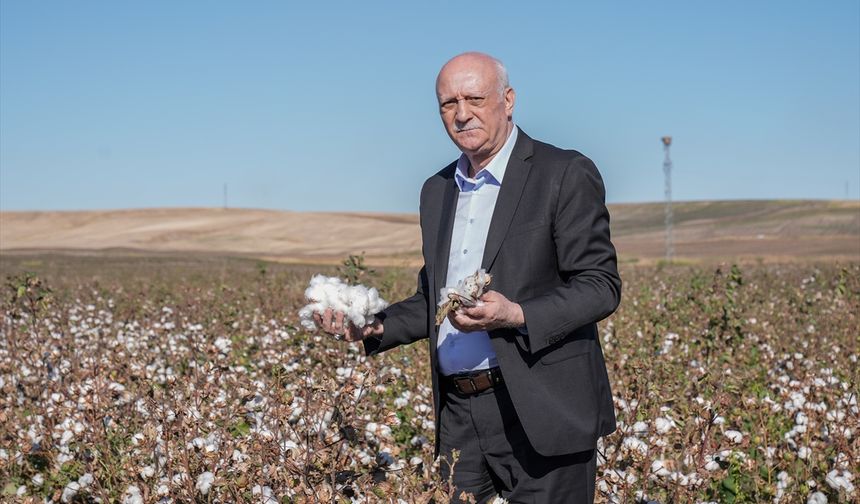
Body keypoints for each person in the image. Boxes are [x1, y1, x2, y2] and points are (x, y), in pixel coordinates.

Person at [314, 52, 621, 503]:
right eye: (448, 103)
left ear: (508, 100)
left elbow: (600, 286)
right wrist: (374, 325)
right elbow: (433, 298)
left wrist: (515, 314)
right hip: (459, 414)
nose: (461, 114)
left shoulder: (562, 173)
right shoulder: (436, 190)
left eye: (475, 98)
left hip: (541, 408)